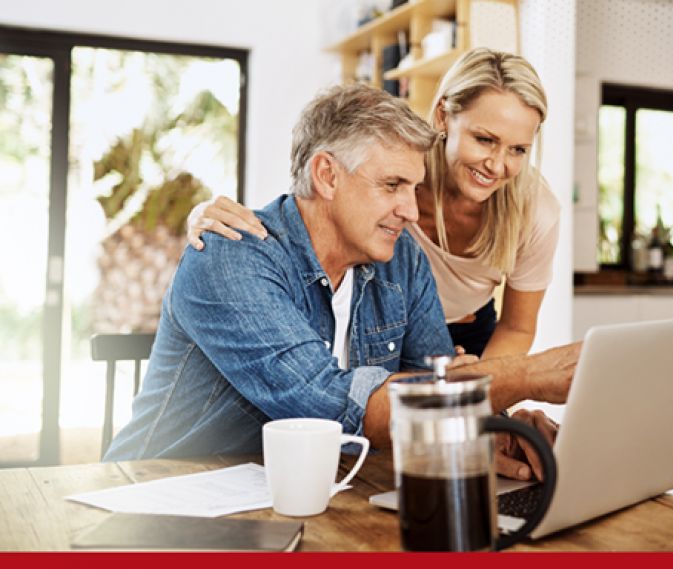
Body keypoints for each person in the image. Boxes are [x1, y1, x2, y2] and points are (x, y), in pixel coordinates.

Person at [104, 84, 580, 482]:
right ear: (327, 175)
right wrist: (527, 376)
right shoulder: (231, 257)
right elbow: (330, 404)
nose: (411, 211)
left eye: (414, 188)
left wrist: (495, 428)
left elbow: (435, 385)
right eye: (392, 185)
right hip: (158, 495)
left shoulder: (403, 261)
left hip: (306, 496)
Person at [188, 48, 559, 359]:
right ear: (444, 115)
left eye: (518, 150)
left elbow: (518, 326)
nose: (496, 164)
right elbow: (313, 202)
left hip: (467, 332)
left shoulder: (534, 211)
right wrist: (207, 217)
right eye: (484, 139)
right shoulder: (399, 159)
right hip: (378, 315)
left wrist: (486, 390)